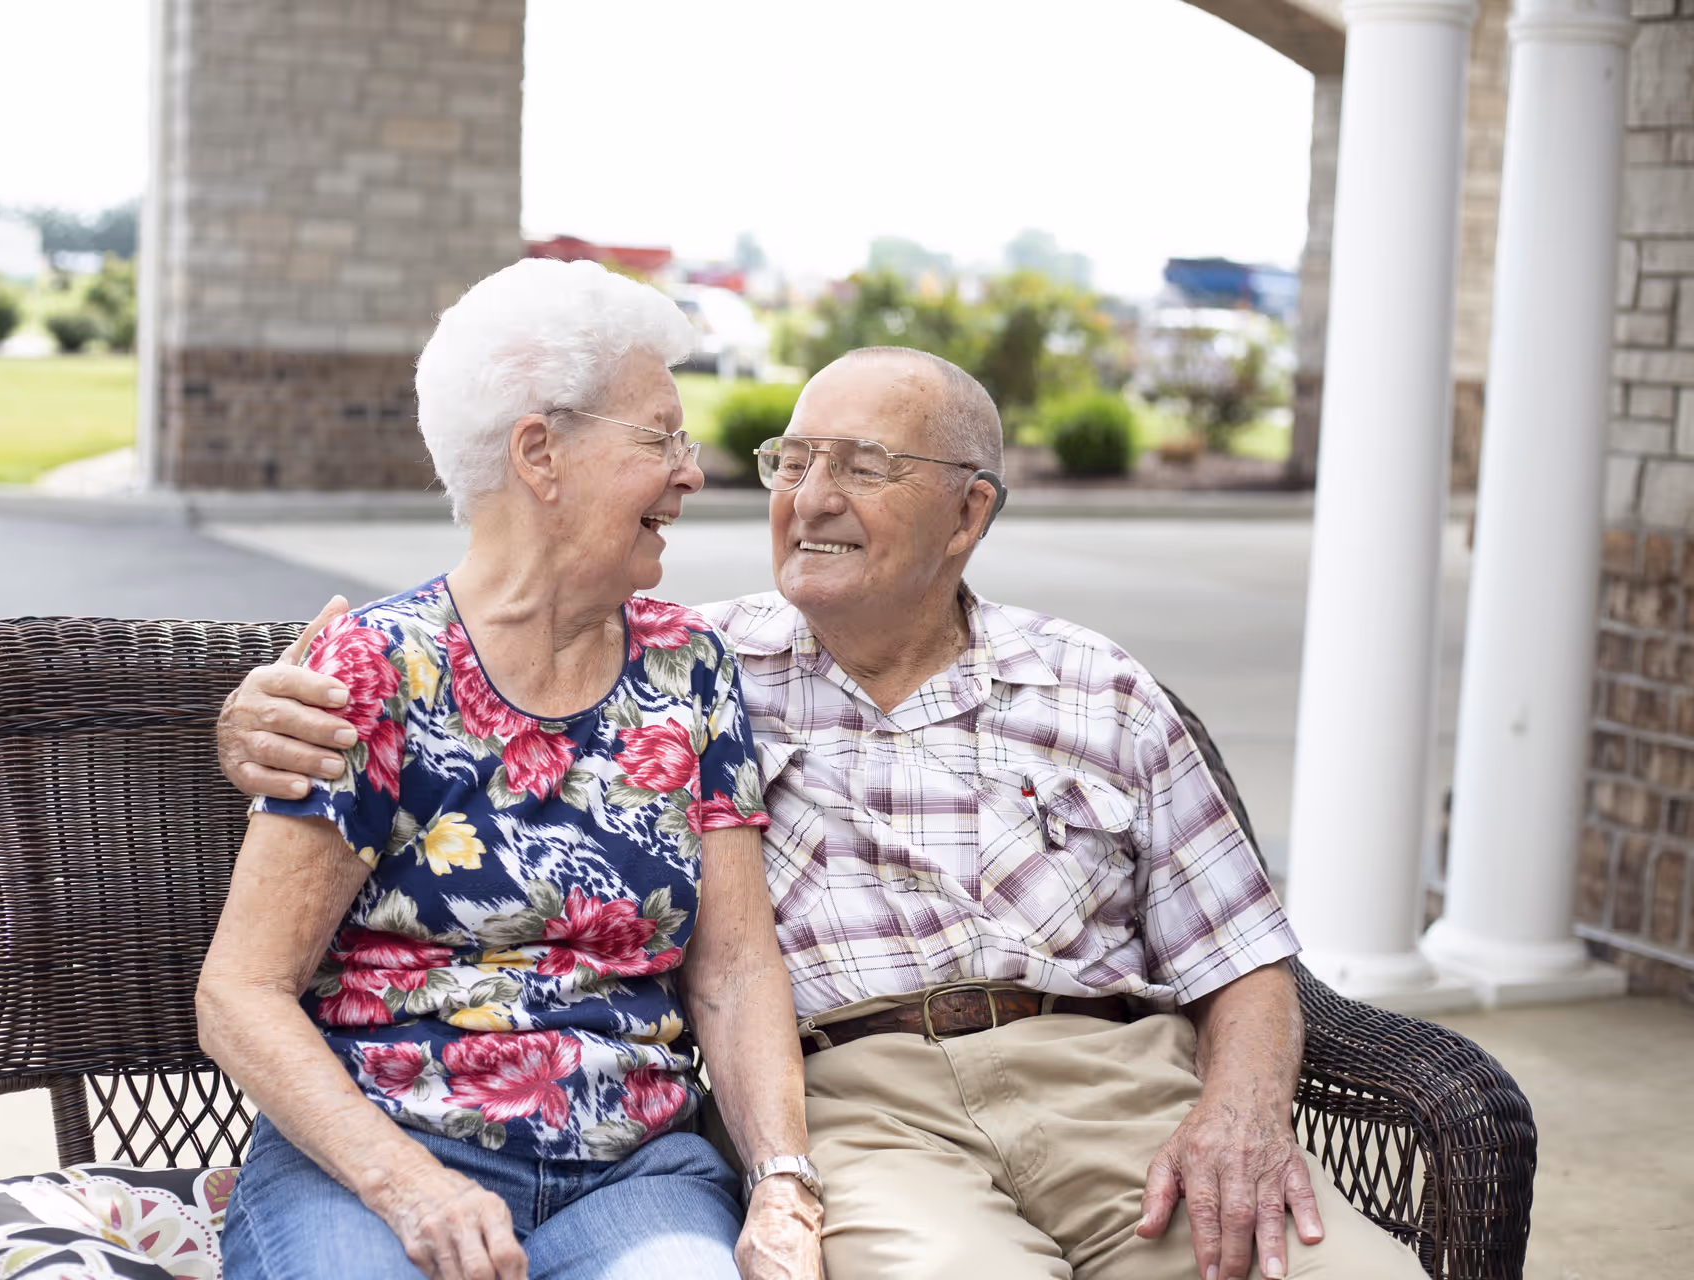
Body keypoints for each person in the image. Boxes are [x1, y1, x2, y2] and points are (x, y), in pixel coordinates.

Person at [218, 344, 1426, 1280]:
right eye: (791, 460)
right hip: (872, 1107)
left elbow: (1247, 954)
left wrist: (1240, 1115)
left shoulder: (1099, 684)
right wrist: (253, 717)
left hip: (1120, 1089)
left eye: (862, 465)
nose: (811, 495)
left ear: (969, 514)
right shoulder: (694, 666)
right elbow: (497, 664)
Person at [197, 258, 823, 1280]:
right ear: (542, 452)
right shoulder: (377, 669)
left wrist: (783, 1179)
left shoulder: (688, 666)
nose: (692, 468)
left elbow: (737, 967)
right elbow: (240, 989)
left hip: (634, 1169)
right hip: (379, 1153)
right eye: (660, 435)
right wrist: (407, 1183)